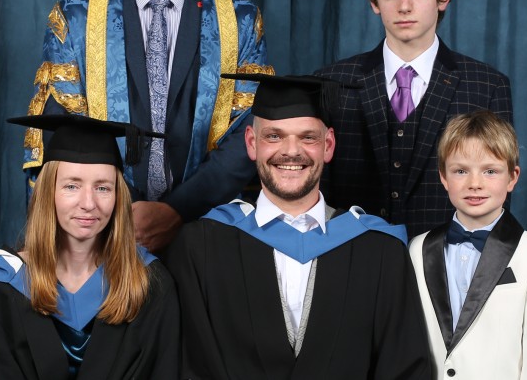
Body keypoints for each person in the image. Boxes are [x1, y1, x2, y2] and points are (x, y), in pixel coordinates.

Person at [23, 0, 272, 252]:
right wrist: (120, 214)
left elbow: (250, 134)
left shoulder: (238, 18)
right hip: (104, 231)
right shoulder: (77, 15)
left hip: (205, 228)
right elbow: (59, 131)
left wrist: (176, 211)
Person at [166, 73, 432, 379]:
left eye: (308, 137)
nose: (291, 151)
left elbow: (404, 368)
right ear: (252, 143)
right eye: (274, 136)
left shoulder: (380, 251)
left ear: (328, 146)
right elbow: (188, 365)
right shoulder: (201, 247)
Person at [0, 115, 179, 379]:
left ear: (119, 197)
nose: (88, 203)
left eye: (103, 188)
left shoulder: (148, 284)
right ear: (49, 193)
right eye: (72, 186)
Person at [315, 0, 512, 237]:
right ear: (374, 2)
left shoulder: (487, 85)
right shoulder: (333, 81)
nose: (404, 6)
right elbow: (319, 188)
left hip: (446, 267)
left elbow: (496, 199)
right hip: (354, 262)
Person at [409, 110, 527, 379]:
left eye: (490, 171)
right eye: (460, 171)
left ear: (512, 177)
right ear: (444, 177)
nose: (475, 184)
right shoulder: (418, 248)